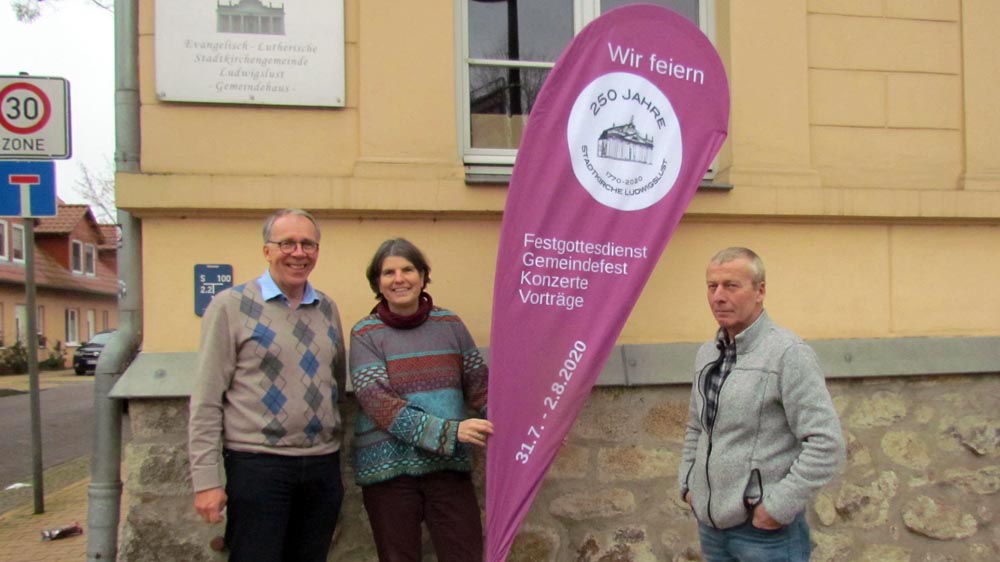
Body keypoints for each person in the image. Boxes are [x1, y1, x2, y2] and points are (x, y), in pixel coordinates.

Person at [188, 208, 347, 562]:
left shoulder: (327, 309)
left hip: (321, 466)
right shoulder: (231, 307)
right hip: (258, 466)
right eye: (287, 243)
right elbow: (206, 398)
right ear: (267, 251)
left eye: (308, 244)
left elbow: (335, 383)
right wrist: (207, 480)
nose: (298, 252)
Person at [679, 247, 844, 562]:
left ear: (760, 291)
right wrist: (689, 485)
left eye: (731, 285)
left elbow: (826, 443)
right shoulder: (707, 354)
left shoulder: (788, 354)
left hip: (766, 536)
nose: (718, 296)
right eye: (712, 286)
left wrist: (777, 508)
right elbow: (696, 427)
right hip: (712, 529)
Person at [350, 238, 493, 562]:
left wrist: (526, 432)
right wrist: (448, 432)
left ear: (422, 275)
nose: (399, 279)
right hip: (388, 473)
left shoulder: (450, 325)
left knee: (466, 555)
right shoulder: (365, 334)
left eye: (407, 269)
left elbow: (480, 386)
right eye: (388, 273)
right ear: (377, 282)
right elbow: (378, 403)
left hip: (448, 469)